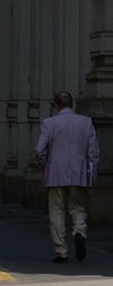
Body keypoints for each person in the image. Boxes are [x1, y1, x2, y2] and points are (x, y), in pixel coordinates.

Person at [35, 91, 100, 263]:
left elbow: (39, 150)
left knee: (56, 210)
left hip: (55, 172)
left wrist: (45, 166)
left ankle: (61, 251)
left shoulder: (49, 123)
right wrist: (91, 175)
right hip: (78, 172)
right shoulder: (86, 122)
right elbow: (93, 153)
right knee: (77, 207)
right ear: (73, 104)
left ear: (56, 106)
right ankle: (79, 233)